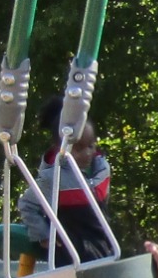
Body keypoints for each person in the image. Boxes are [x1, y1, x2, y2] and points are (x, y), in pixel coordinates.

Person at [18, 96, 115, 265]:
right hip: (69, 253)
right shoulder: (53, 178)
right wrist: (44, 235)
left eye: (91, 146)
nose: (87, 153)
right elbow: (27, 205)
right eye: (78, 148)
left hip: (102, 247)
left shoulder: (102, 170)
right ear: (60, 147)